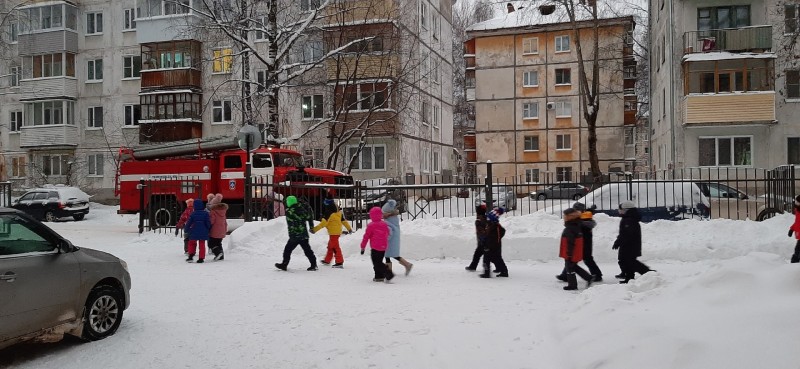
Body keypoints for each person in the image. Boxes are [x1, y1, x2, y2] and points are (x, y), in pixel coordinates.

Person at [557, 202, 602, 282]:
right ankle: (565, 275)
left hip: (585, 242)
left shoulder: (584, 219)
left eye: (577, 210)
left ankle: (597, 275)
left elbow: (587, 224)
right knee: (571, 260)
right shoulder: (581, 217)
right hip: (579, 242)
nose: (575, 212)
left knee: (586, 259)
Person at [275, 195, 318, 271]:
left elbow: (291, 217)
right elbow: (308, 216)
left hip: (295, 235)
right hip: (303, 234)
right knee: (307, 250)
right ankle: (314, 264)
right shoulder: (302, 209)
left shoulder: (290, 211)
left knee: (287, 250)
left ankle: (284, 264)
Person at [613, 201, 652, 283]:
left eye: (621, 209)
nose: (619, 211)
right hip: (628, 245)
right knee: (627, 261)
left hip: (630, 245)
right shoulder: (627, 219)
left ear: (627, 210)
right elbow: (623, 233)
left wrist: (619, 242)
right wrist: (618, 241)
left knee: (631, 262)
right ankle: (629, 277)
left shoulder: (629, 220)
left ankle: (648, 273)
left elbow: (627, 234)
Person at [560, 208, 593, 290]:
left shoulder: (570, 228)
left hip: (571, 252)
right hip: (575, 252)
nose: (564, 217)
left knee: (570, 268)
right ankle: (588, 277)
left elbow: (570, 242)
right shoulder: (576, 225)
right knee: (573, 266)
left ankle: (572, 285)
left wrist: (569, 254)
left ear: (570, 217)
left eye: (565, 215)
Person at [312, 199, 352, 268]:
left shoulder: (328, 213)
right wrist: (349, 229)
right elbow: (344, 221)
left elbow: (323, 224)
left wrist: (314, 229)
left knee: (335, 247)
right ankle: (327, 260)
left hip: (333, 233)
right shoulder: (339, 212)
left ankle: (339, 262)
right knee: (330, 246)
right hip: (337, 232)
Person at [360, 206, 393, 282]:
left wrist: (363, 247)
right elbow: (387, 233)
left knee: (376, 262)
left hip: (375, 247)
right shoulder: (384, 224)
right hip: (383, 247)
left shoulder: (371, 225)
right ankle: (378, 276)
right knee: (378, 261)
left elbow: (366, 237)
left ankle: (388, 273)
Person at [382, 199, 413, 276]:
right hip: (393, 242)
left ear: (388, 214)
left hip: (389, 242)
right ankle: (406, 265)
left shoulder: (388, 222)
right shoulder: (393, 220)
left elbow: (389, 233)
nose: (382, 215)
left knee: (389, 256)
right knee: (391, 256)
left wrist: (384, 239)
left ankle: (390, 272)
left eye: (384, 213)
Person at [480, 207, 508, 278]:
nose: (487, 219)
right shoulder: (491, 226)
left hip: (492, 247)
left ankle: (487, 274)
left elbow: (493, 239)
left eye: (489, 218)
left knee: (487, 260)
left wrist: (487, 246)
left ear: (492, 219)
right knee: (496, 259)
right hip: (493, 247)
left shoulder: (495, 227)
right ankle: (502, 270)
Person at [184, 198, 211, 263]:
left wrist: (186, 229)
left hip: (194, 231)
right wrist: (209, 228)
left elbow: (189, 223)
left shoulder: (193, 214)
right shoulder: (205, 214)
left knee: (192, 243)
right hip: (203, 232)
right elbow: (208, 223)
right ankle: (201, 258)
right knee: (202, 244)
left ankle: (191, 255)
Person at [466, 205, 489, 271]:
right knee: (478, 254)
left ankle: (485, 271)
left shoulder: (479, 220)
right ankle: (473, 266)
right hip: (484, 242)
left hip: (483, 242)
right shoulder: (485, 218)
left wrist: (482, 241)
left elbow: (481, 233)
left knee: (481, 256)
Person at [208, 193, 228, 261]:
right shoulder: (223, 211)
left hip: (214, 231)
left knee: (211, 244)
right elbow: (225, 222)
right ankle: (221, 256)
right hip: (222, 230)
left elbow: (211, 221)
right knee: (219, 243)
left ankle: (218, 253)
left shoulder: (213, 212)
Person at [788, 195, 800, 263]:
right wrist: (792, 229)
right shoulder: (798, 211)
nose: (796, 203)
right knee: (798, 250)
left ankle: (794, 264)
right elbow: (797, 222)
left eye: (797, 202)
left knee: (797, 250)